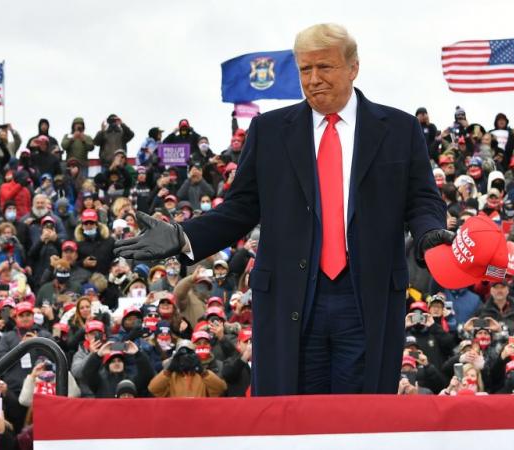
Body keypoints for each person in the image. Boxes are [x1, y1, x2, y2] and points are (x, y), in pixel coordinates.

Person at [115, 23, 449, 396]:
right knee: (291, 420)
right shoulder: (270, 131)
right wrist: (183, 235)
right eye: (305, 69)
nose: (313, 79)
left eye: (324, 67)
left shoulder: (399, 129)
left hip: (367, 299)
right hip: (291, 299)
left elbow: (422, 201)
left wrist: (430, 235)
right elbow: (242, 206)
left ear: (353, 67)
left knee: (360, 421)